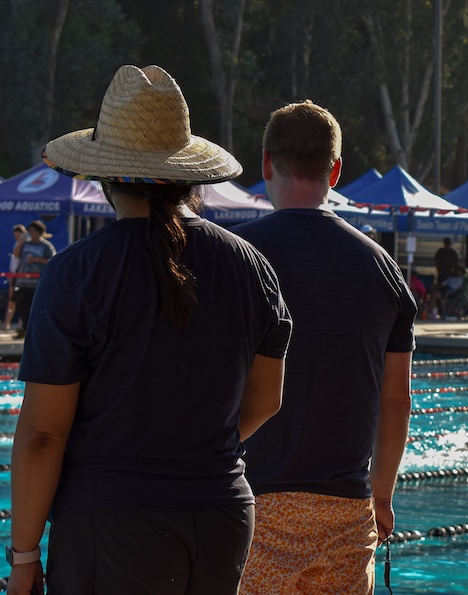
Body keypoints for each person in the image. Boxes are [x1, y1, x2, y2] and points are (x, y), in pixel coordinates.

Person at [8, 65, 290, 595]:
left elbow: (43, 435)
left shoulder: (77, 272)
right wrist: (191, 449)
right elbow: (266, 401)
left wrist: (24, 556)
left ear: (105, 177)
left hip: (112, 521)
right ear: (188, 176)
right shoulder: (251, 266)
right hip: (222, 515)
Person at [232, 100, 417, 594]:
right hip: (344, 510)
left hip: (249, 502)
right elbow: (397, 398)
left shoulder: (231, 257)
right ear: (335, 171)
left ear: (266, 163)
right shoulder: (382, 269)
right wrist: (381, 496)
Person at [10, 220, 56, 338]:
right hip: (23, 282)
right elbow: (15, 254)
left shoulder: (46, 246)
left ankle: (35, 332)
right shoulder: (25, 244)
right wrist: (21, 241)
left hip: (37, 283)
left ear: (39, 232)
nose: (31, 233)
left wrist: (37, 260)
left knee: (35, 307)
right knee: (22, 307)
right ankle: (24, 329)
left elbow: (52, 261)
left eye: (33, 231)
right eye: (29, 231)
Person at [4, 224, 25, 331]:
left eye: (18, 235)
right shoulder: (17, 243)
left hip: (22, 277)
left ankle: (21, 325)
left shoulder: (24, 245)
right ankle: (7, 324)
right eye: (15, 236)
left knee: (22, 301)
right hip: (15, 276)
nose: (17, 237)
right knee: (12, 300)